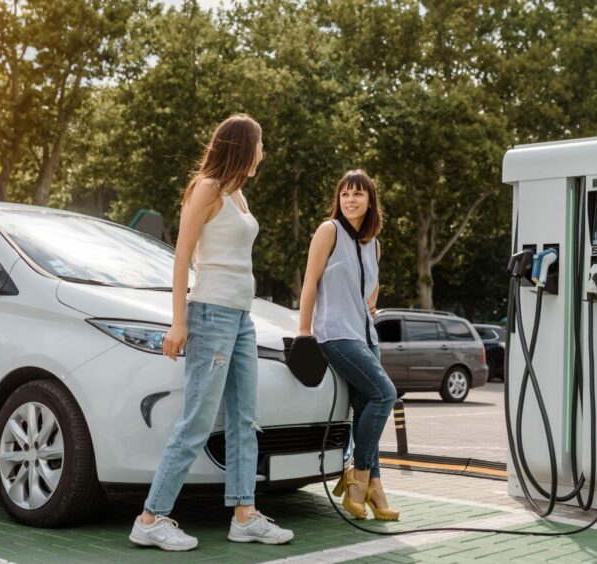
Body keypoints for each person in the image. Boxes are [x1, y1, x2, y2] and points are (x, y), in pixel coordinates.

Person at [129, 114, 294, 551]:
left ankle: (244, 514)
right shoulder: (206, 188)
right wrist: (179, 322)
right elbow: (182, 256)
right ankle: (150, 517)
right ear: (243, 147)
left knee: (245, 419)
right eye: (260, 145)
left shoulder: (236, 193)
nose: (264, 153)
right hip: (211, 315)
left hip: (241, 318)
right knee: (198, 420)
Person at [297, 169, 400, 521]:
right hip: (335, 333)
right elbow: (310, 281)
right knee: (385, 394)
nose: (351, 200)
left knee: (367, 413)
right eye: (345, 194)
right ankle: (359, 479)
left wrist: (369, 303)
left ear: (370, 201)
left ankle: (373, 488)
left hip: (366, 335)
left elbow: (372, 285)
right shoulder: (329, 231)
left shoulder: (374, 243)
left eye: (358, 194)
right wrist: (303, 329)